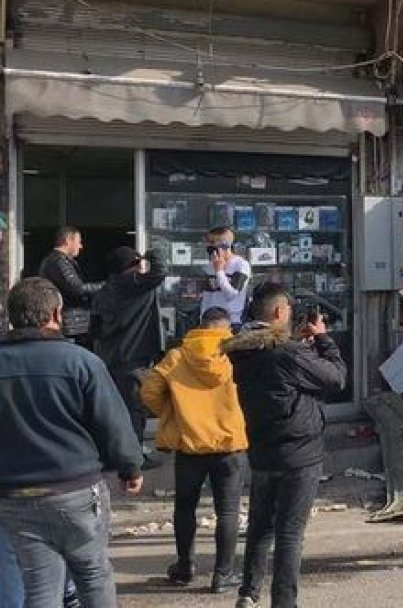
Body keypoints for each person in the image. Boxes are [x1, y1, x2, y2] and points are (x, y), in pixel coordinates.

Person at [0, 278, 144, 606]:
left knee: (39, 583)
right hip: (76, 490)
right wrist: (130, 466)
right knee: (92, 573)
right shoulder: (80, 361)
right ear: (56, 313)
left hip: (14, 494)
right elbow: (112, 421)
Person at [223, 283, 345, 608]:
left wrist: (300, 347)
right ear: (279, 312)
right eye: (288, 311)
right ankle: (284, 602)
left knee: (260, 527)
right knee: (290, 532)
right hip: (300, 453)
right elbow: (335, 379)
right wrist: (323, 339)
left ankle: (248, 594)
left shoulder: (243, 351)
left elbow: (284, 374)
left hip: (263, 449)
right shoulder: (288, 353)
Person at [140, 306, 247, 594]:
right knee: (227, 511)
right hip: (229, 446)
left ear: (200, 327)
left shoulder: (176, 357)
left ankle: (184, 567)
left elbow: (148, 392)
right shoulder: (233, 358)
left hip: (189, 446)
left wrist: (174, 414)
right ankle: (223, 575)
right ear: (226, 330)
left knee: (185, 508)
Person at [94, 246, 168, 468]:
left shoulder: (104, 291)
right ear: (132, 266)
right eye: (138, 264)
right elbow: (160, 270)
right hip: (133, 358)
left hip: (110, 358)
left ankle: (114, 453)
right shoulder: (134, 285)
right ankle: (133, 458)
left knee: (116, 409)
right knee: (134, 410)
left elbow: (94, 329)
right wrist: (151, 253)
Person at [38, 226, 96, 344]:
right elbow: (76, 289)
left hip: (70, 323)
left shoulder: (58, 261)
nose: (81, 246)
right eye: (78, 242)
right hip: (69, 324)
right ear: (67, 241)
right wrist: (106, 286)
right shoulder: (58, 261)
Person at [202, 227, 252, 327]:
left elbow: (231, 294)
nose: (209, 249)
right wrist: (202, 319)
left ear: (224, 246)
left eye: (212, 244)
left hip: (231, 322)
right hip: (210, 322)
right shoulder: (210, 266)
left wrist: (219, 271)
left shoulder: (241, 265)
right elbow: (207, 296)